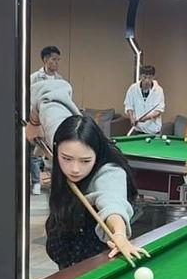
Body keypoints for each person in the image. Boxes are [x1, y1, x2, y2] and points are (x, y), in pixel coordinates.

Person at [45, 115, 149, 269]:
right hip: (66, 250)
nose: (75, 169)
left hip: (91, 257)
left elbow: (112, 202)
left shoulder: (110, 172)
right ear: (56, 146)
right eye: (67, 158)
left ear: (97, 154)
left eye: (85, 161)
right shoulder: (58, 131)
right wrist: (34, 121)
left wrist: (119, 235)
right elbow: (48, 106)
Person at [28, 46, 63, 195]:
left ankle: (55, 184)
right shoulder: (35, 78)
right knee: (36, 154)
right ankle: (36, 182)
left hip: (53, 121)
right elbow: (29, 99)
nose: (56, 62)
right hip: (37, 119)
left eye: (58, 60)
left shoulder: (60, 80)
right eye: (54, 59)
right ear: (45, 60)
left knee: (54, 153)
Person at [124, 65, 165, 134]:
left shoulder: (159, 90)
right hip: (138, 129)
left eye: (150, 78)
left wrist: (145, 118)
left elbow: (158, 111)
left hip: (153, 130)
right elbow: (129, 106)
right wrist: (131, 118)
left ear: (153, 77)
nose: (147, 80)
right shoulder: (133, 88)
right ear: (140, 76)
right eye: (144, 77)